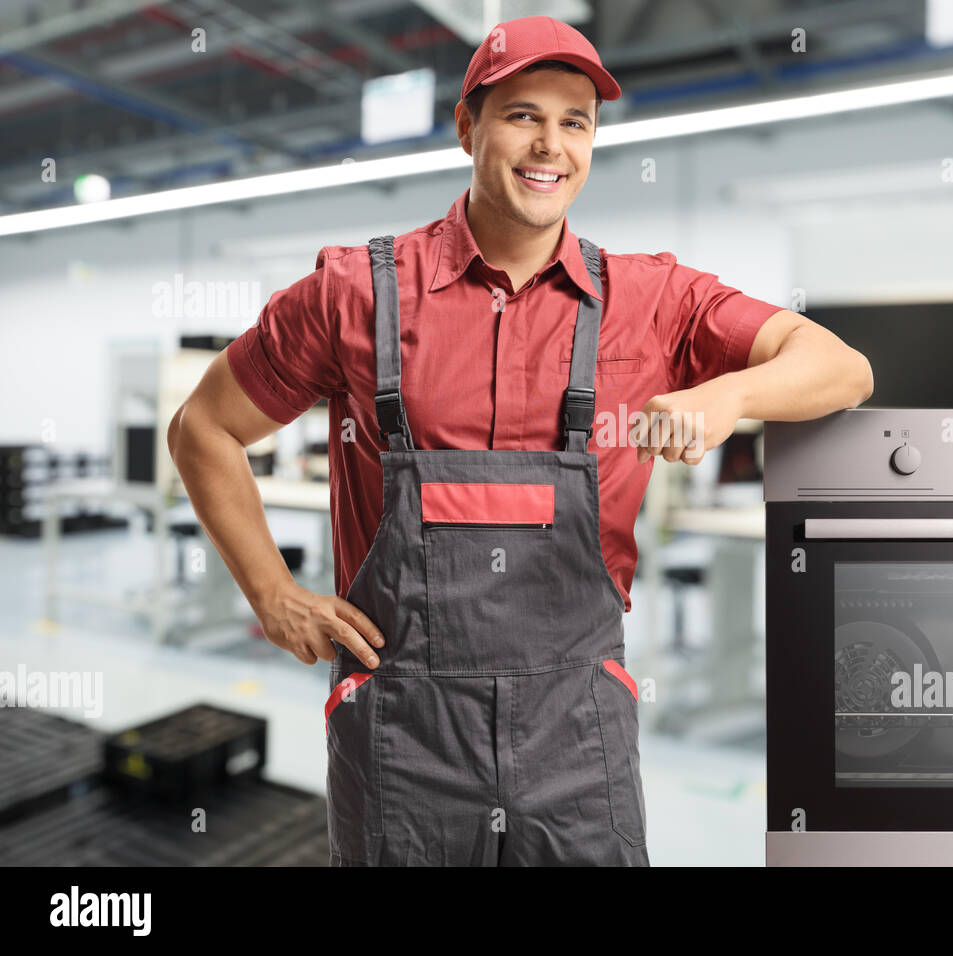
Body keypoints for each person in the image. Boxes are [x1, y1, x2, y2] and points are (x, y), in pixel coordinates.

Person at [168, 14, 872, 866]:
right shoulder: (353, 294)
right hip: (403, 728)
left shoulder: (653, 299)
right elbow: (203, 427)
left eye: (575, 121)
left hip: (577, 732)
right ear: (468, 126)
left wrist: (731, 393)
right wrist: (272, 594)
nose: (551, 145)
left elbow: (839, 367)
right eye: (522, 115)